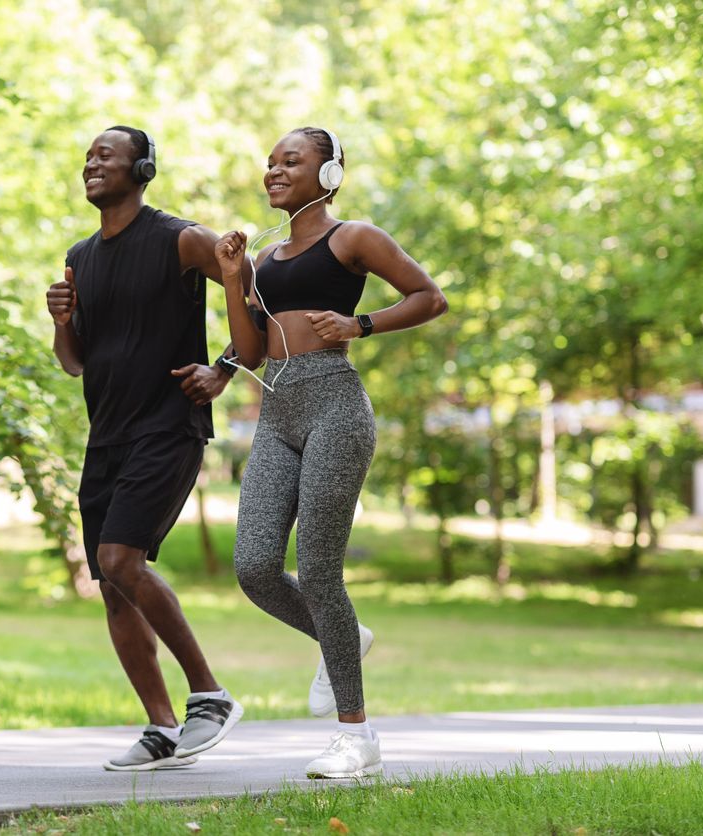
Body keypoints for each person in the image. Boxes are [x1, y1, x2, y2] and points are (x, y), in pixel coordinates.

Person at [213, 127, 447, 779]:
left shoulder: (355, 238)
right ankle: (341, 635)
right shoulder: (263, 257)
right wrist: (233, 279)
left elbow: (430, 296)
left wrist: (361, 324)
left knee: (319, 572)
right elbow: (252, 351)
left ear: (330, 174)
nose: (274, 171)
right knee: (255, 566)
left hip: (335, 407)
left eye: (292, 161)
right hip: (277, 411)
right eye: (270, 163)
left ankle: (357, 738)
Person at [46, 126, 246, 772]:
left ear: (145, 168)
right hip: (106, 435)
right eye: (88, 157)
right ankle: (161, 729)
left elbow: (252, 292)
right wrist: (59, 322)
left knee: (119, 558)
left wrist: (225, 367)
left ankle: (210, 696)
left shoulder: (179, 239)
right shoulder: (81, 255)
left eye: (106, 154)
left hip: (168, 425)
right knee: (112, 584)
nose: (92, 164)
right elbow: (74, 363)